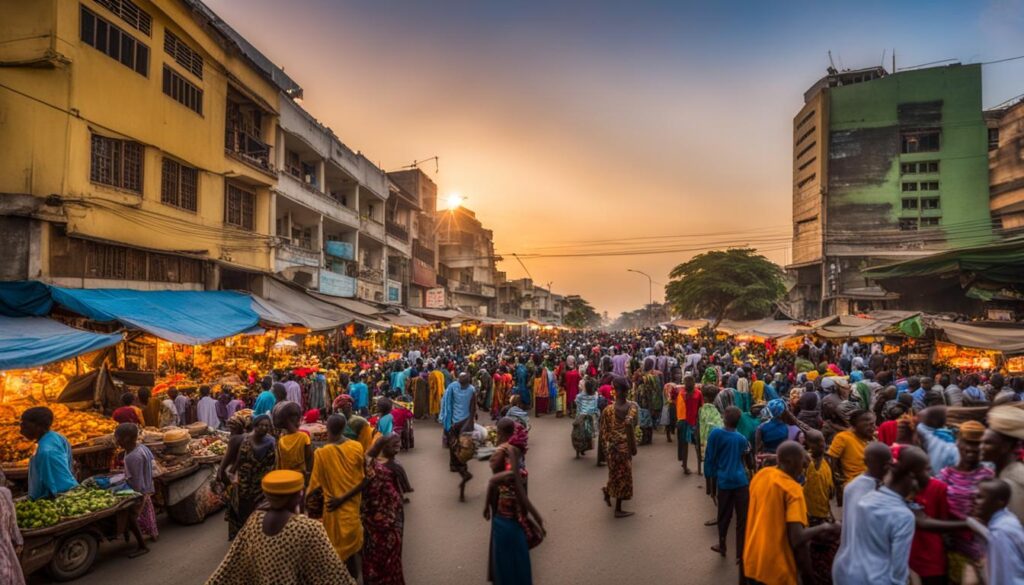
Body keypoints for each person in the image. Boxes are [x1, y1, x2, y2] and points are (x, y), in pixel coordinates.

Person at [205, 469, 356, 585]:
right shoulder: (308, 528)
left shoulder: (255, 520)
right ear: (298, 495)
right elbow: (333, 574)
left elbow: (231, 565)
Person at [744, 441, 839, 585]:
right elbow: (797, 538)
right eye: (802, 463)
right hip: (776, 572)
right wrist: (826, 527)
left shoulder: (761, 476)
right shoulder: (793, 490)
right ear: (789, 462)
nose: (804, 468)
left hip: (752, 561)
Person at [832, 445, 929, 585]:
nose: (929, 475)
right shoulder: (903, 516)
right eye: (926, 470)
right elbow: (898, 575)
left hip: (845, 571)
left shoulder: (867, 498)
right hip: (876, 578)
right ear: (912, 478)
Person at [485, 417, 543, 585]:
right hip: (514, 512)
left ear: (501, 433)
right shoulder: (514, 451)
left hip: (504, 513)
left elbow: (496, 481)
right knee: (516, 561)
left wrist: (488, 505)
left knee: (505, 562)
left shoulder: (504, 452)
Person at [308, 414, 366, 580]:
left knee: (335, 554)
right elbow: (365, 479)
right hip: (353, 508)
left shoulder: (322, 453)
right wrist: (346, 498)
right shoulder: (356, 446)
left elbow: (314, 486)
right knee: (353, 553)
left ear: (326, 428)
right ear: (344, 427)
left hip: (332, 509)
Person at [937, 420, 993, 584]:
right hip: (952, 551)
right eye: (967, 443)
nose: (971, 449)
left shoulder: (988, 476)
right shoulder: (945, 476)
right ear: (958, 442)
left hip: (984, 553)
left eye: (977, 444)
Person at [219, 413, 276, 540]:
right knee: (245, 509)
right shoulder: (246, 440)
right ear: (255, 426)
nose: (264, 428)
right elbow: (239, 459)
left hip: (263, 482)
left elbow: (275, 463)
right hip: (245, 482)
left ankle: (260, 535)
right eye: (261, 425)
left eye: (267, 426)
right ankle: (246, 536)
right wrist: (232, 473)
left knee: (261, 509)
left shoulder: (272, 442)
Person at [703, 406, 749, 559]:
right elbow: (745, 457)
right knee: (742, 519)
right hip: (741, 482)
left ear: (724, 418)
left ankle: (722, 545)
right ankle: (740, 552)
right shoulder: (741, 439)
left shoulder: (715, 434)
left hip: (724, 482)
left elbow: (710, 458)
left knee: (724, 516)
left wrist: (710, 481)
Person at [361, 435, 406, 585]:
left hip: (373, 530)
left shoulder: (371, 473)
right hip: (391, 529)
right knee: (392, 565)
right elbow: (401, 494)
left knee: (373, 565)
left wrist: (377, 445)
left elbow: (367, 459)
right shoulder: (389, 472)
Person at [968, 479, 1024, 585]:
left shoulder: (999, 534)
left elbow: (1004, 577)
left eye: (980, 497)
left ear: (999, 502)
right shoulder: (1007, 520)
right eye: (974, 496)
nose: (974, 501)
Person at [114, 423, 155, 557]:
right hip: (147, 485)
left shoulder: (133, 457)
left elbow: (136, 482)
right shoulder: (140, 448)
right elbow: (150, 459)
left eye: (117, 437)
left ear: (125, 439)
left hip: (139, 490)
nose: (116, 440)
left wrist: (133, 495)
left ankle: (142, 546)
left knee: (131, 518)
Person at [20, 407, 78, 500]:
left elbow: (61, 487)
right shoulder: (56, 437)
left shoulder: (47, 452)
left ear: (37, 426)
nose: (21, 430)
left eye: (25, 425)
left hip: (51, 501)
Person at [600, 376, 637, 518]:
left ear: (616, 391)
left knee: (614, 475)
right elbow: (633, 423)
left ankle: (608, 491)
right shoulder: (631, 407)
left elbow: (603, 433)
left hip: (612, 449)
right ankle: (618, 509)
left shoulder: (607, 410)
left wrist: (605, 451)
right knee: (623, 478)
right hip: (624, 449)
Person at [802, 430, 836, 585]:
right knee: (814, 548)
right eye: (817, 442)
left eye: (822, 441)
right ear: (808, 444)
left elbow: (829, 487)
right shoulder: (808, 461)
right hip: (811, 513)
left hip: (824, 510)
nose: (822, 445)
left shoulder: (825, 461)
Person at [982, 404, 1024, 519]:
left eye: (987, 443)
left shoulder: (1013, 482)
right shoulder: (997, 470)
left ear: (1006, 446)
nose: (981, 447)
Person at [440, 372, 477, 501]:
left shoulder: (471, 390)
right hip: (455, 421)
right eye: (462, 383)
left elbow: (473, 409)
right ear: (458, 381)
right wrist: (448, 420)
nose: (463, 385)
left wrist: (469, 423)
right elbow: (447, 403)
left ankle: (461, 467)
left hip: (464, 422)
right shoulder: (452, 387)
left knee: (462, 445)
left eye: (465, 383)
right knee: (454, 444)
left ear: (469, 381)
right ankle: (456, 466)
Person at [826, 409, 875, 492]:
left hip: (871, 481)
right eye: (870, 425)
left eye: (874, 424)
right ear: (856, 424)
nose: (874, 428)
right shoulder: (843, 438)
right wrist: (835, 481)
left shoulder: (869, 439)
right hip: (855, 484)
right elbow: (831, 459)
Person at [274, 402, 313, 478]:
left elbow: (279, 463)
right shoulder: (304, 437)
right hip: (300, 477)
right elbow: (309, 458)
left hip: (286, 477)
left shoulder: (281, 440)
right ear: (298, 420)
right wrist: (309, 473)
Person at [0, 470, 25, 585]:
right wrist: (18, 540)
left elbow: (12, 521)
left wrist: (18, 540)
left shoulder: (4, 494)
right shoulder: (4, 493)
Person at [676, 375, 703, 474]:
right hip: (694, 422)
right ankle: (699, 469)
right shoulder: (698, 393)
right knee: (697, 446)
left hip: (682, 422)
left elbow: (678, 408)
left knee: (684, 445)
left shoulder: (681, 394)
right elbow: (701, 407)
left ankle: (685, 466)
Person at [572, 378, 599, 458]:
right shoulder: (595, 396)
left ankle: (578, 451)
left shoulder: (579, 396)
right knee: (588, 434)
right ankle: (584, 448)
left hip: (580, 417)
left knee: (578, 434)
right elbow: (595, 407)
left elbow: (577, 404)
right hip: (590, 418)